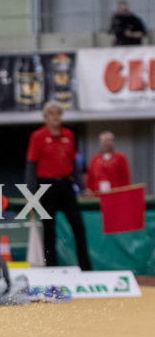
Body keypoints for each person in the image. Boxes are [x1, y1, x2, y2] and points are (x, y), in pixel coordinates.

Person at [26, 101, 91, 270]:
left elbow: (74, 165)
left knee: (78, 226)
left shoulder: (68, 135)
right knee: (49, 229)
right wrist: (30, 194)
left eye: (58, 113)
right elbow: (31, 166)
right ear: (45, 117)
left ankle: (86, 268)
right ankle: (51, 268)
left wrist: (82, 187)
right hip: (46, 187)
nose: (55, 117)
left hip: (66, 185)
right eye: (52, 114)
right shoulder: (37, 136)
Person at [85, 131, 131, 195]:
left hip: (116, 195)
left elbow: (126, 178)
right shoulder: (95, 159)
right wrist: (89, 190)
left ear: (113, 142)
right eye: (103, 141)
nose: (105, 143)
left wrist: (124, 193)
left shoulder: (120, 158)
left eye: (108, 141)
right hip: (98, 194)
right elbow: (90, 178)